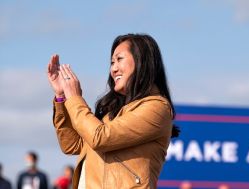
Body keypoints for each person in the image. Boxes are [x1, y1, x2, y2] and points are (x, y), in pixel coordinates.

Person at [47, 33, 180, 188]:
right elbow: (72, 144)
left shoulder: (157, 107)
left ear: (141, 61)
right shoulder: (111, 113)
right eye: (112, 62)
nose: (113, 69)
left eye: (119, 59)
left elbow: (100, 138)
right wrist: (62, 97)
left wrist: (75, 98)